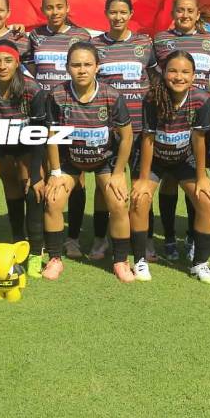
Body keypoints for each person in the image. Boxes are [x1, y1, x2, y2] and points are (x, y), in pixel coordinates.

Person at [42, 42, 133, 282]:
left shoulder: (111, 95)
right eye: (76, 65)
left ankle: (121, 261)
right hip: (71, 161)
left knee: (119, 201)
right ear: (67, 68)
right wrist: (55, 172)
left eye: (87, 64)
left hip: (104, 161)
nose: (81, 70)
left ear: (97, 67)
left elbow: (126, 137)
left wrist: (119, 172)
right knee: (53, 200)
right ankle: (54, 259)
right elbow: (52, 137)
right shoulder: (57, 95)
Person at [130, 51, 210, 284]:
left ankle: (200, 263)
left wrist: (202, 177)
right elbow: (147, 139)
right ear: (164, 73)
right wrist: (142, 178)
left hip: (183, 159)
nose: (178, 77)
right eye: (173, 71)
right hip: (154, 159)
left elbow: (199, 139)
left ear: (193, 75)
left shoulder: (201, 98)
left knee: (207, 200)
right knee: (140, 198)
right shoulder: (152, 98)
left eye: (185, 72)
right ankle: (139, 260)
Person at [24, 0, 91, 259]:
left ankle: (72, 237)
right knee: (43, 175)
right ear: (43, 9)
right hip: (44, 114)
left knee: (78, 177)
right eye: (49, 7)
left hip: (74, 114)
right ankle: (40, 237)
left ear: (67, 7)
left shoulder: (82, 36)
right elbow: (27, 64)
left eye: (59, 6)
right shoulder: (35, 36)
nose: (55, 12)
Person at [0, 39, 46, 278]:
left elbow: (39, 135)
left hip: (25, 145)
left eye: (7, 61)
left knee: (33, 191)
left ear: (17, 62)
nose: (1, 66)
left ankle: (34, 253)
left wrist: (36, 175)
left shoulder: (32, 89)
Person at [152, 0, 210, 262]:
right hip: (170, 117)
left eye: (190, 10)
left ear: (197, 13)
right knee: (169, 179)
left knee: (196, 178)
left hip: (202, 117)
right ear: (173, 12)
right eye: (180, 10)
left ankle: (193, 236)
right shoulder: (159, 40)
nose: (185, 15)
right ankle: (168, 238)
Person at [92, 0, 157, 260]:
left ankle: (147, 240)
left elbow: (153, 78)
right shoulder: (95, 44)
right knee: (103, 187)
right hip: (107, 130)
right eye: (113, 12)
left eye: (123, 12)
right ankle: (100, 238)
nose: (118, 17)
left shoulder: (144, 43)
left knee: (141, 183)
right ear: (106, 14)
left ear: (131, 14)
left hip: (140, 128)